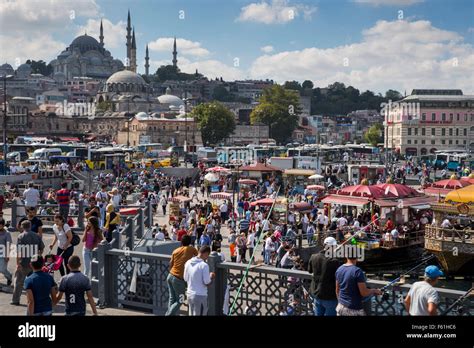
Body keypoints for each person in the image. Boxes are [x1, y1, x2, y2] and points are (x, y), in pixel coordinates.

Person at [11, 220, 44, 306]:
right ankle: (35, 300)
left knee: (19, 282)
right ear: (30, 226)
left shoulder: (20, 236)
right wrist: (38, 255)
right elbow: (42, 248)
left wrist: (18, 263)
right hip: (35, 263)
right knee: (34, 283)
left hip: (24, 262)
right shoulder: (37, 236)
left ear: (22, 227)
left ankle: (15, 300)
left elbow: (18, 251)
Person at [308, 237, 341, 316]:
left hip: (316, 294)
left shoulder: (313, 256)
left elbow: (310, 270)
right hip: (329, 296)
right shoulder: (334, 261)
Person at [165, 235, 198, 316]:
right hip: (178, 279)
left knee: (172, 299)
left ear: (181, 242)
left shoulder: (175, 250)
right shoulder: (190, 248)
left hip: (170, 276)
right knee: (181, 300)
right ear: (190, 242)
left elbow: (170, 264)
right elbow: (199, 255)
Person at [184, 245, 215, 316]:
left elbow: (185, 278)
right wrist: (211, 276)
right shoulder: (204, 265)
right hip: (200, 295)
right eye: (208, 255)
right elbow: (207, 282)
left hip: (189, 294)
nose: (207, 257)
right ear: (205, 253)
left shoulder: (188, 262)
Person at [0, 219, 12, 286]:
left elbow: (8, 245)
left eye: (0, 225)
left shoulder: (7, 233)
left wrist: (7, 255)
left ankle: (9, 276)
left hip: (3, 253)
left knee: (2, 269)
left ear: (3, 225)